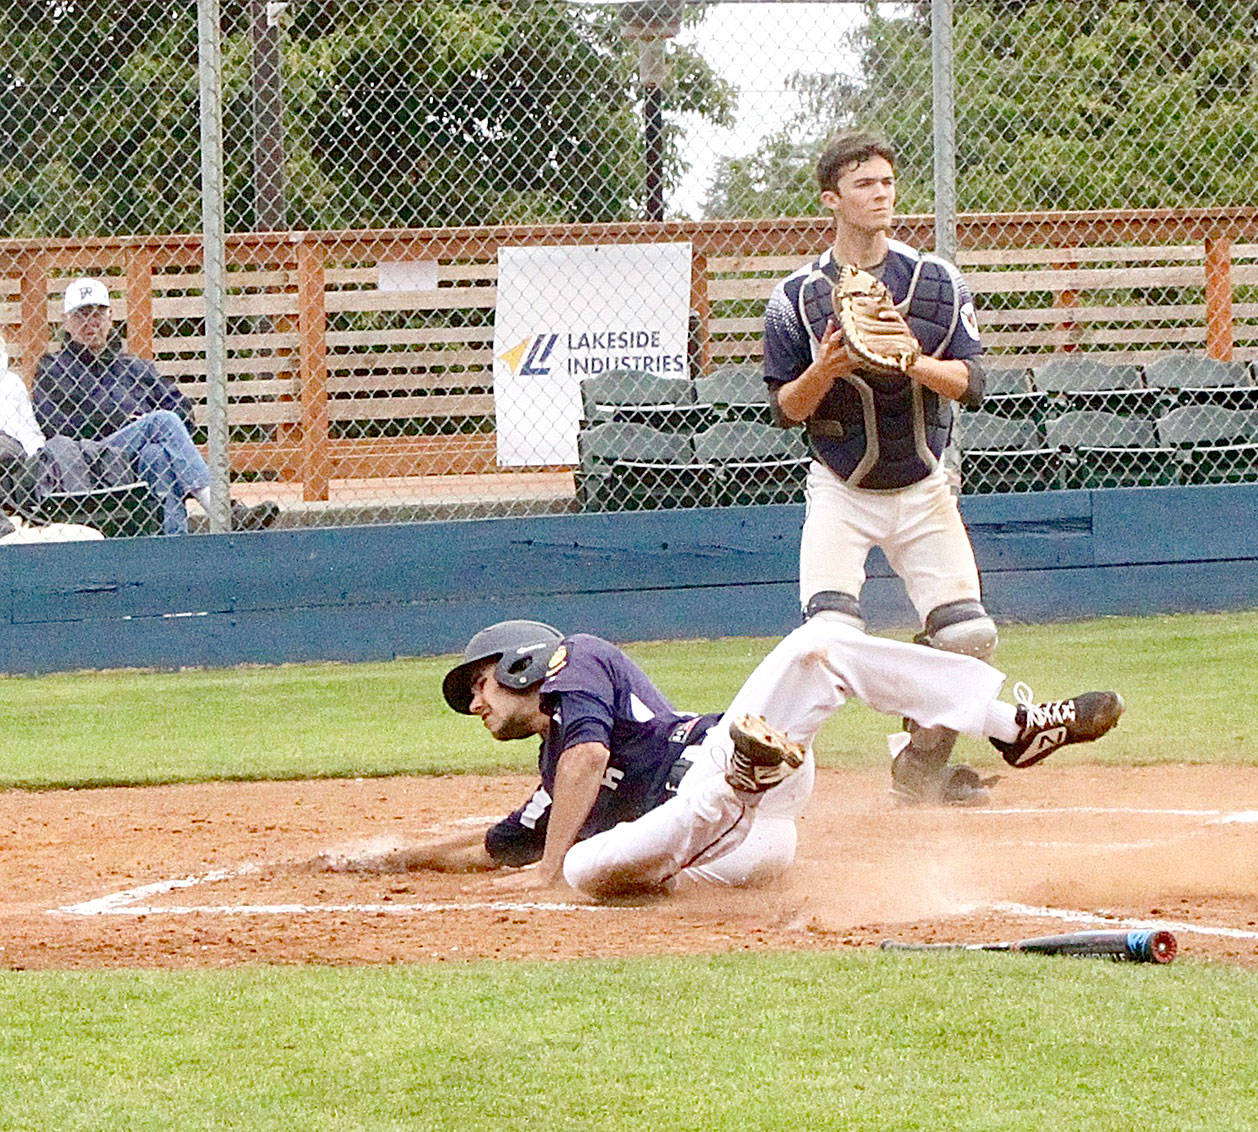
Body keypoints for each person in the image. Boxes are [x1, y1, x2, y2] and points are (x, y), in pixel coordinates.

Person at [316, 616, 1124, 901]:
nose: (478, 705)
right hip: (747, 848)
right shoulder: (552, 781)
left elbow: (587, 758)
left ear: (526, 663)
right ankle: (726, 806)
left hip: (724, 771)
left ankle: (1010, 722)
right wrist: (379, 859)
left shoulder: (580, 664)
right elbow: (493, 845)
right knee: (591, 868)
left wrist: (549, 867)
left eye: (481, 686)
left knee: (817, 647)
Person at [762, 130, 995, 808]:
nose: (881, 194)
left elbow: (973, 383)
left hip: (923, 486)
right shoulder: (796, 298)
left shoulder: (936, 283)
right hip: (841, 488)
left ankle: (918, 766)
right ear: (831, 199)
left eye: (888, 182)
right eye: (865, 185)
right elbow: (785, 407)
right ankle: (766, 777)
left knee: (969, 635)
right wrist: (826, 368)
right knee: (828, 640)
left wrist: (909, 359)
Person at [30, 277, 279, 534]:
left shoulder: (134, 367)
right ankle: (225, 511)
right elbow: (58, 426)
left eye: (97, 314)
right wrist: (134, 423)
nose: (90, 322)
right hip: (90, 458)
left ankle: (174, 545)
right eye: (81, 315)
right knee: (161, 422)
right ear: (66, 322)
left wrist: (145, 430)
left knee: (156, 454)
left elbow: (182, 409)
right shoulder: (54, 368)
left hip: (138, 457)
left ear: (110, 318)